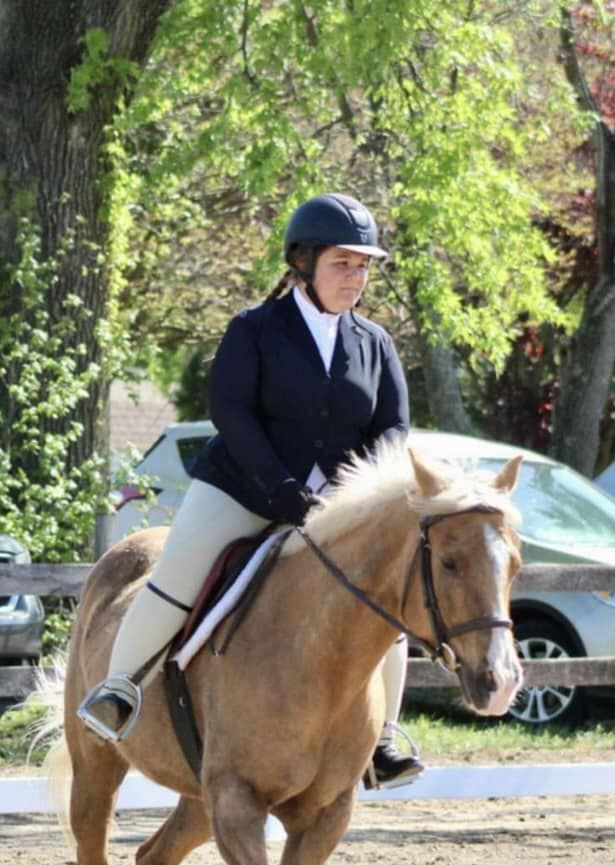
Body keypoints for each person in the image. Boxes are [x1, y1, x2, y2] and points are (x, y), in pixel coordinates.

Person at [78, 193, 423, 787]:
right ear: (303, 262)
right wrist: (282, 488)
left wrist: (358, 493)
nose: (356, 277)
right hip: (243, 488)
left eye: (364, 266)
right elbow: (233, 415)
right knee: (179, 574)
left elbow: (392, 427)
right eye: (344, 263)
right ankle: (119, 688)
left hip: (334, 506)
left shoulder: (374, 343)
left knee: (384, 602)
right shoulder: (255, 329)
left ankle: (383, 740)